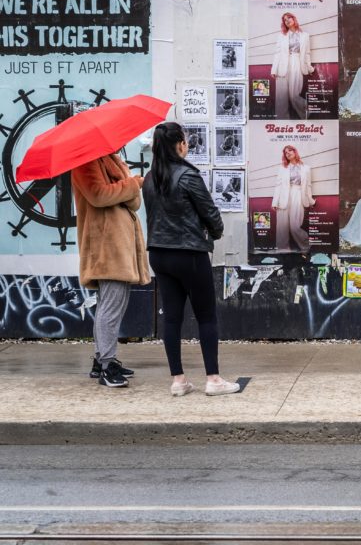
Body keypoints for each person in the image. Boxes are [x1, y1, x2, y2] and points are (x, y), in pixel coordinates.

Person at [142, 122, 238, 397]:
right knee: (206, 316)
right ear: (179, 145)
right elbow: (209, 212)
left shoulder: (150, 178)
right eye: (185, 141)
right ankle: (213, 380)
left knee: (171, 319)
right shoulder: (187, 176)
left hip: (159, 254)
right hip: (188, 253)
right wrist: (216, 233)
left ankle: (178, 381)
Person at [72, 153, 149, 388]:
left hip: (119, 244)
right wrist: (133, 183)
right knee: (111, 306)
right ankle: (106, 365)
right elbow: (99, 195)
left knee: (114, 303)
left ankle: (101, 360)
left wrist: (126, 186)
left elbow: (134, 202)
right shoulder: (85, 161)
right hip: (105, 244)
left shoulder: (113, 160)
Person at [272, 145, 315, 253]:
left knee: (295, 226)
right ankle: (283, 250)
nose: (288, 153)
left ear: (295, 152)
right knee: (282, 226)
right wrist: (275, 202)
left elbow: (308, 185)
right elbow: (278, 185)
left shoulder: (306, 168)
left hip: (298, 194)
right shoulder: (282, 168)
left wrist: (310, 200)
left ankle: (306, 247)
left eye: (290, 150)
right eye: (286, 153)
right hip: (283, 196)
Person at [271, 12, 313, 119]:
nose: (287, 20)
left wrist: (309, 68)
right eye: (285, 20)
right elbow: (277, 53)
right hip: (282, 65)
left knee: (294, 95)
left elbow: (307, 53)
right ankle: (282, 119)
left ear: (294, 19)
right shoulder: (281, 36)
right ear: (284, 24)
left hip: (297, 63)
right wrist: (274, 70)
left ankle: (306, 110)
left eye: (289, 18)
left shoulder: (305, 36)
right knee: (281, 96)